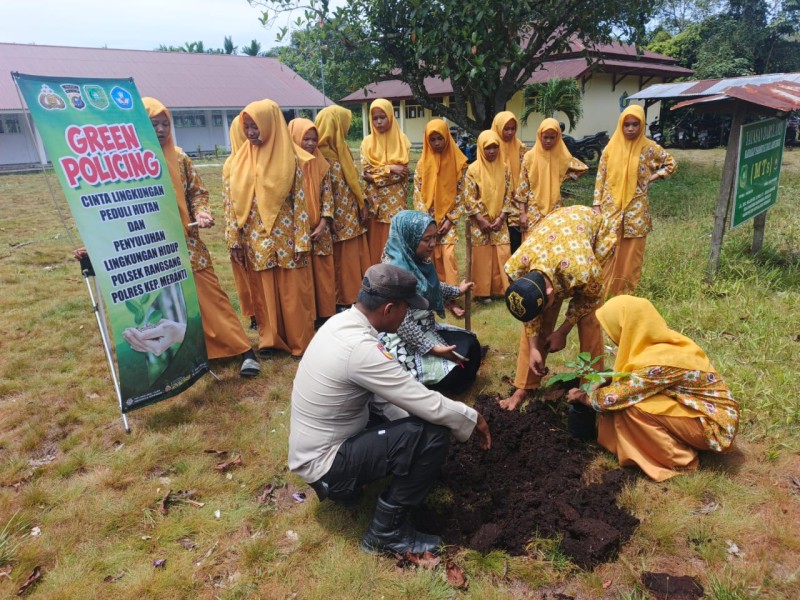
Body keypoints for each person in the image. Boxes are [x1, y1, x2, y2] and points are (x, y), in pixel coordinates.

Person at [289, 263, 491, 556]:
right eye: (406, 309)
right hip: (325, 463)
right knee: (432, 433)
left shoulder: (342, 323)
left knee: (415, 425)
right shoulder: (359, 349)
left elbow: (388, 400)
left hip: (314, 448)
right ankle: (385, 533)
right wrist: (473, 418)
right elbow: (419, 398)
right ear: (388, 309)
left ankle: (364, 488)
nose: (408, 316)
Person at [142, 97, 259, 377]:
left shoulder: (180, 157)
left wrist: (202, 213)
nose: (160, 129)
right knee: (167, 304)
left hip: (188, 244)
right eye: (153, 124)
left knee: (212, 298)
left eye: (164, 124)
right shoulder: (128, 165)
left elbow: (197, 192)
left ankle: (244, 351)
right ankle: (186, 357)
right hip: (152, 249)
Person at [566, 295, 739, 481]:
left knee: (634, 409)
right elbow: (634, 382)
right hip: (705, 412)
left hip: (714, 426)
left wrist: (582, 397)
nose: (609, 336)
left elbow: (612, 399)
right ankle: (680, 442)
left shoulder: (659, 362)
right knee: (633, 398)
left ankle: (679, 461)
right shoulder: (663, 344)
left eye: (612, 329)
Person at [499, 205, 617, 411]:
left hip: (595, 235)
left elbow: (589, 298)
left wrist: (563, 331)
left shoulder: (582, 270)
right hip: (555, 235)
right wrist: (534, 347)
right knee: (539, 318)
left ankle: (590, 386)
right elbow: (530, 315)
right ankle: (525, 386)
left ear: (550, 292)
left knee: (589, 319)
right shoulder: (516, 266)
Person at [225, 99, 315, 358]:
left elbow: (300, 202)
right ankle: (270, 341)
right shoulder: (238, 162)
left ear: (270, 125)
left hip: (286, 237)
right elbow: (232, 203)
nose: (251, 133)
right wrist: (234, 239)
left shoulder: (291, 160)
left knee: (292, 292)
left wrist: (301, 241)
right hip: (255, 238)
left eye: (256, 126)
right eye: (248, 127)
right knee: (264, 292)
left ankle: (300, 343)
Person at [379, 210, 481, 393]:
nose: (433, 244)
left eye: (435, 238)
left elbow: (431, 286)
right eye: (427, 239)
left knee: (471, 345)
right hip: (404, 339)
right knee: (453, 374)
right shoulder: (394, 274)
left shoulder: (417, 260)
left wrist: (458, 290)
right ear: (409, 237)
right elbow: (404, 325)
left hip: (426, 326)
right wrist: (433, 349)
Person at [594, 104, 676, 296]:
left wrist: (654, 176)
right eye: (626, 124)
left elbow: (671, 163)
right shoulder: (610, 148)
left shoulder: (649, 148)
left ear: (642, 125)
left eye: (635, 124)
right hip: (610, 208)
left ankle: (624, 294)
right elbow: (601, 177)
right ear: (620, 125)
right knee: (606, 249)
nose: (630, 128)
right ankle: (600, 292)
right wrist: (596, 205)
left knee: (631, 255)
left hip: (636, 210)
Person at [315, 105, 371, 311]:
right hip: (335, 218)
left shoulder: (342, 148)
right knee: (340, 260)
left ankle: (357, 294)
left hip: (351, 214)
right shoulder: (319, 156)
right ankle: (342, 299)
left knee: (352, 258)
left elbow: (352, 179)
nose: (347, 127)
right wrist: (328, 218)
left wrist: (361, 201)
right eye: (344, 122)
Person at [412, 119, 469, 317]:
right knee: (431, 258)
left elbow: (461, 194)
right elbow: (418, 195)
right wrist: (429, 223)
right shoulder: (421, 165)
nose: (436, 143)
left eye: (440, 138)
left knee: (449, 256)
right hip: (428, 222)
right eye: (432, 139)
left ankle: (451, 298)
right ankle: (434, 297)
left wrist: (449, 219)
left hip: (447, 221)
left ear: (447, 138)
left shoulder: (458, 162)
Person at [288, 117, 336, 326]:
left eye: (313, 139)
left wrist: (324, 222)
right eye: (305, 139)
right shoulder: (289, 164)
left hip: (320, 227)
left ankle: (326, 314)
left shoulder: (321, 163)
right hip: (298, 229)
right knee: (305, 275)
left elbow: (327, 195)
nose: (309, 143)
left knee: (323, 272)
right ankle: (310, 315)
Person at [360, 98, 412, 265]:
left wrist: (376, 176)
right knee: (375, 242)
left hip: (396, 203)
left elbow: (402, 174)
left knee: (395, 241)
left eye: (383, 117)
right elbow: (365, 171)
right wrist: (390, 168)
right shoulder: (367, 143)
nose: (379, 121)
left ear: (391, 116)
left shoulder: (401, 140)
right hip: (375, 204)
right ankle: (377, 280)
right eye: (375, 118)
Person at [464, 130, 513, 303]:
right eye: (488, 148)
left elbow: (509, 194)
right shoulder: (473, 170)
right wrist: (481, 219)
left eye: (495, 147)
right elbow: (469, 197)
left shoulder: (505, 169)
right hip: (480, 222)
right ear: (481, 148)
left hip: (500, 220)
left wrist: (501, 218)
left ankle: (504, 289)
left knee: (502, 252)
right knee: (482, 256)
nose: (492, 151)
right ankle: (482, 292)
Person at [516, 118, 588, 235]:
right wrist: (522, 213)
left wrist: (563, 177)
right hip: (534, 208)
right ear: (540, 136)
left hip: (556, 206)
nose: (548, 141)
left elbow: (582, 168)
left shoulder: (562, 156)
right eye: (545, 137)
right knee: (532, 241)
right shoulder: (529, 157)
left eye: (552, 137)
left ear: (558, 137)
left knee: (553, 240)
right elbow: (522, 188)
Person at [222, 115, 259, 331]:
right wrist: (233, 238)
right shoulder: (232, 164)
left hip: (254, 230)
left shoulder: (254, 159)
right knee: (245, 278)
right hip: (240, 230)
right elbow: (229, 204)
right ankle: (253, 314)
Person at [491, 111, 527, 254]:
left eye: (513, 128)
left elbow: (525, 173)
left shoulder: (520, 147)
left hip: (516, 200)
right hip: (496, 199)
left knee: (515, 238)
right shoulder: (491, 147)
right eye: (506, 129)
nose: (510, 132)